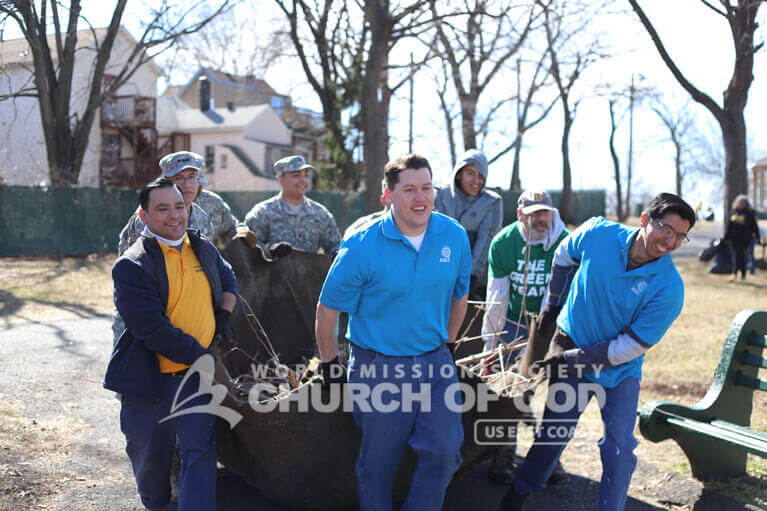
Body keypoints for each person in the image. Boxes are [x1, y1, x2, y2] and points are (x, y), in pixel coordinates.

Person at [502, 193, 696, 511]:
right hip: (572, 341)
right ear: (646, 219)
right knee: (553, 435)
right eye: (666, 229)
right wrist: (553, 305)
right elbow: (565, 254)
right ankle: (519, 492)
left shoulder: (669, 287)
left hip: (619, 373)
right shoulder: (598, 233)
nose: (669, 241)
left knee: (618, 448)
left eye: (679, 236)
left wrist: (570, 359)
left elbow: (630, 346)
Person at [315, 153, 471, 510]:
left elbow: (460, 296)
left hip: (434, 364)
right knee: (377, 467)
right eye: (410, 189)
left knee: (446, 452)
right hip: (379, 368)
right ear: (388, 195)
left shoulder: (454, 236)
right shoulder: (362, 245)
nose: (421, 198)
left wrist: (448, 343)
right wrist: (329, 363)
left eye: (427, 188)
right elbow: (327, 308)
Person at [104, 178, 237, 511]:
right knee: (151, 463)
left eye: (179, 206)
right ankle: (156, 504)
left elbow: (228, 277)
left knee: (200, 454)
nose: (174, 215)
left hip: (196, 380)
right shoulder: (132, 266)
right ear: (143, 215)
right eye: (162, 208)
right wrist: (203, 355)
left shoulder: (201, 246)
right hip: (151, 384)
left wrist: (223, 315)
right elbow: (153, 329)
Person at [481, 190, 568, 485]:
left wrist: (539, 343)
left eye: (544, 213)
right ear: (520, 215)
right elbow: (497, 296)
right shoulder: (504, 244)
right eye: (533, 213)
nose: (540, 219)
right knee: (510, 389)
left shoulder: (563, 243)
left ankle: (548, 459)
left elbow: (555, 295)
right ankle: (504, 453)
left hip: (554, 322)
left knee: (558, 391)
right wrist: (491, 344)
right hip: (514, 321)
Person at [113, 151, 216, 345]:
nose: (187, 184)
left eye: (192, 177)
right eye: (179, 178)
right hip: (147, 313)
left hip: (187, 313)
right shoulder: (147, 217)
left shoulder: (202, 216)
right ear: (166, 182)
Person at [242, 155, 341, 259]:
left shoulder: (320, 214)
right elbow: (248, 247)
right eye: (296, 175)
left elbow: (334, 245)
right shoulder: (262, 213)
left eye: (306, 175)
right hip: (274, 275)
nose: (303, 180)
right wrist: (270, 250)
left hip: (310, 274)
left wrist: (336, 253)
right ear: (281, 180)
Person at [435, 149, 503, 299]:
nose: (476, 181)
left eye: (481, 176)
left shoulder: (492, 202)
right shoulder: (439, 195)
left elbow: (485, 241)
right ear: (459, 174)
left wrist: (471, 279)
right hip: (439, 275)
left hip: (476, 281)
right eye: (471, 173)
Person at [724, 194, 760, 282]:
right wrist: (726, 236)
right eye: (740, 203)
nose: (742, 204)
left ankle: (742, 276)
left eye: (743, 203)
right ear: (737, 203)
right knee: (735, 256)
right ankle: (735, 274)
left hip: (745, 240)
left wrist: (758, 237)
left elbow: (754, 226)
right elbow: (729, 225)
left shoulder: (750, 213)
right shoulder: (733, 212)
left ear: (746, 204)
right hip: (734, 239)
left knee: (741, 257)